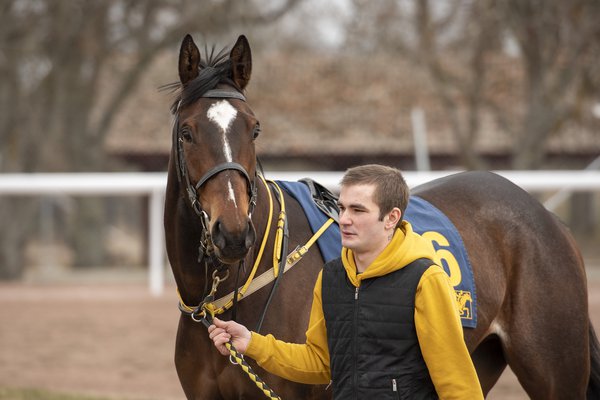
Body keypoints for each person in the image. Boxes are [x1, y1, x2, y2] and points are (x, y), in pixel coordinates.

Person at [209, 164, 484, 399]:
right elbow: (320, 362)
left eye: (357, 210)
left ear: (391, 218)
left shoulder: (425, 279)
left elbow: (456, 381)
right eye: (341, 208)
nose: (343, 220)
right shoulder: (330, 278)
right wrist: (252, 343)